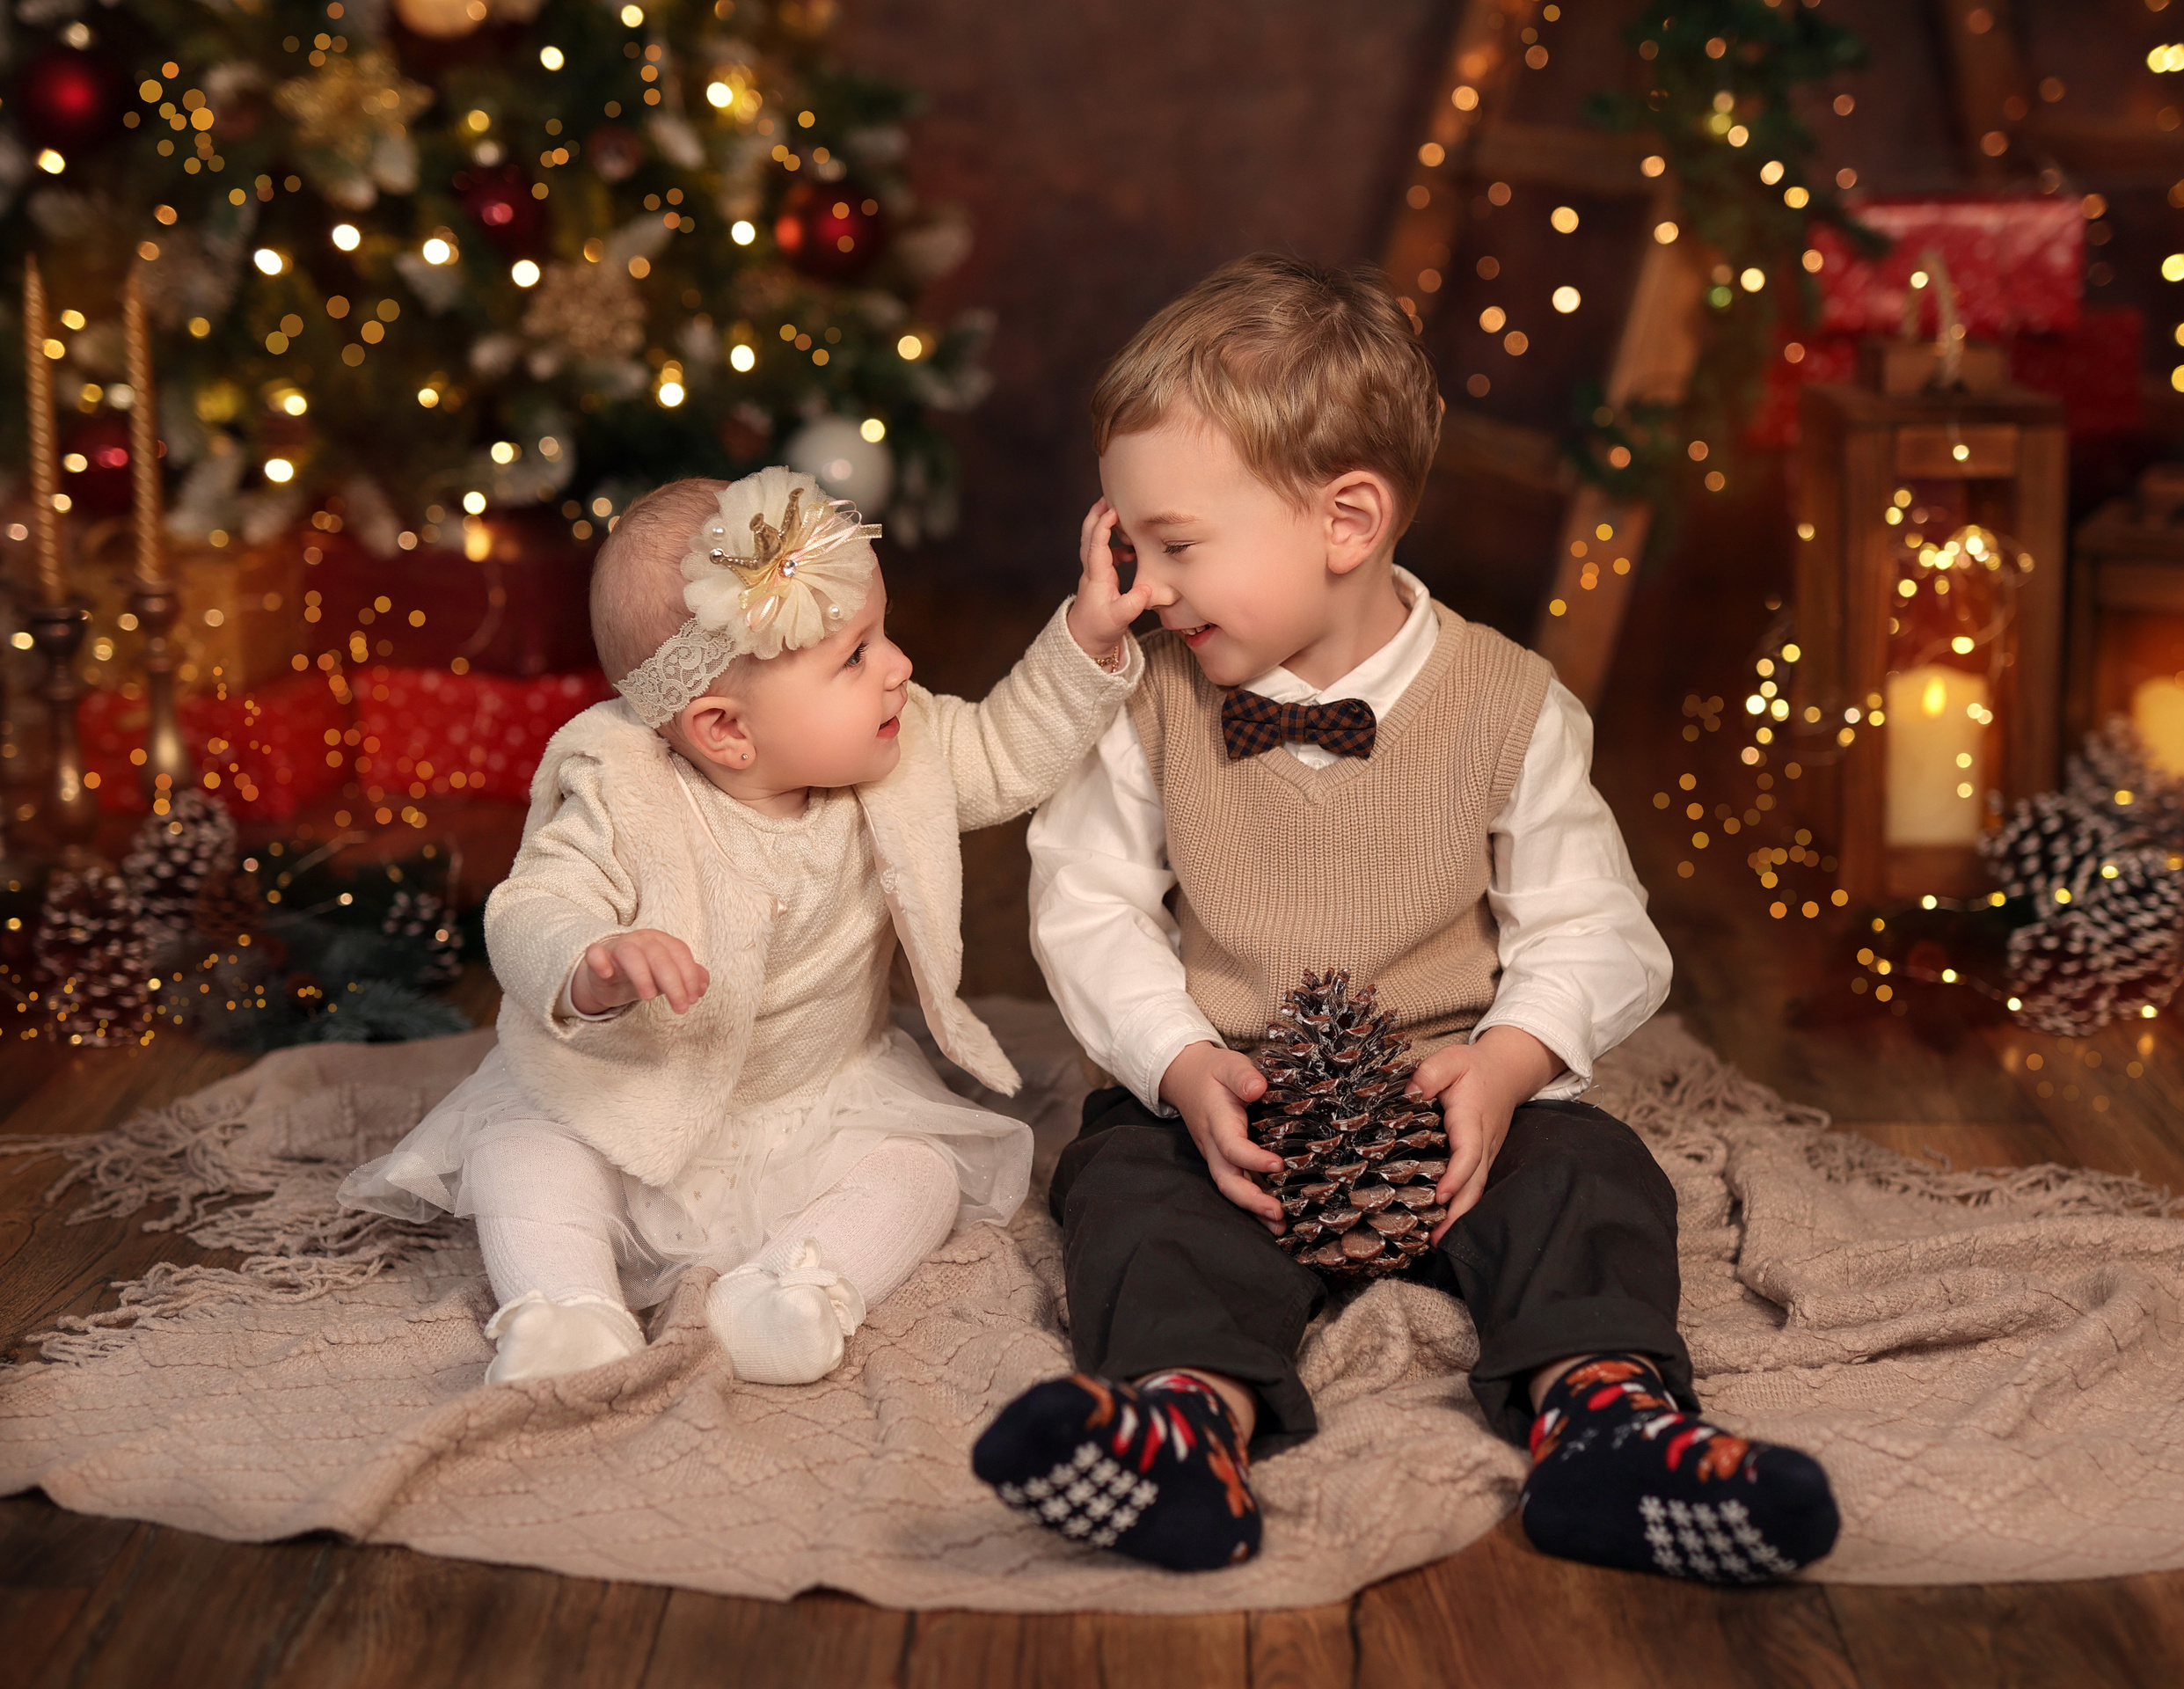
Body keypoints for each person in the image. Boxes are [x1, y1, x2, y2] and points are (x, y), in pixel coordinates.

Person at [971, 255, 1838, 1583]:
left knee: (1594, 1178)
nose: (1146, 587)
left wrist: (1509, 1061)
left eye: (1178, 547)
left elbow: (1595, 928)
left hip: (1450, 1112)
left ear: (1347, 519)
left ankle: (1608, 1424)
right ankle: (1183, 1429)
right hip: (1233, 1105)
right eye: (1129, 549)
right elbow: (1086, 906)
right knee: (1127, 1191)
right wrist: (1178, 1060)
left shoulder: (1507, 703)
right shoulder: (1141, 696)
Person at [342, 467, 1148, 1387]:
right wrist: (588, 962)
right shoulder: (623, 791)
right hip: (633, 1097)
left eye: (881, 637)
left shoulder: (900, 750)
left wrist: (1087, 636)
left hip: (819, 1099)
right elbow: (530, 907)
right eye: (855, 656)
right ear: (724, 730)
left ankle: (794, 1286)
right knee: (523, 1150)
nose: (899, 667)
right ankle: (566, 1309)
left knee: (922, 1169)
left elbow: (1005, 750)